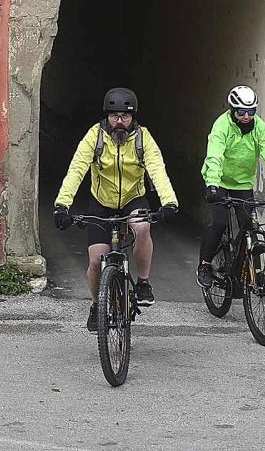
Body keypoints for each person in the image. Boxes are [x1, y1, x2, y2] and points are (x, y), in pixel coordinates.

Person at [53, 87, 179, 332]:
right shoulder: (95, 136)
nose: (119, 122)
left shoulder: (143, 138)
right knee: (94, 260)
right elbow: (76, 169)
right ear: (107, 116)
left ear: (133, 118)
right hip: (101, 201)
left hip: (134, 198)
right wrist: (62, 204)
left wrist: (169, 202)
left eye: (125, 116)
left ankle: (143, 283)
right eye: (114, 116)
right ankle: (95, 305)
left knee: (142, 226)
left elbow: (157, 169)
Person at [196, 85, 265, 288]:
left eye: (251, 112)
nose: (246, 116)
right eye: (241, 112)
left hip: (243, 183)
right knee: (219, 223)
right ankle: (205, 265)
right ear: (232, 110)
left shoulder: (259, 127)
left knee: (250, 226)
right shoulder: (222, 126)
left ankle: (252, 270)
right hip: (219, 182)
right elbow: (215, 155)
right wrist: (212, 185)